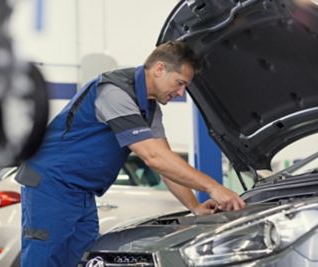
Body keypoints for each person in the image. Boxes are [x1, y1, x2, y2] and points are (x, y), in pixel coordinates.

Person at [15, 40, 246, 267]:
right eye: (179, 83)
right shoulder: (113, 91)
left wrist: (194, 206)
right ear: (159, 69)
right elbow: (152, 156)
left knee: (82, 261)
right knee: (44, 259)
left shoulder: (150, 107)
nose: (180, 92)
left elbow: (163, 161)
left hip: (82, 192)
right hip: (52, 183)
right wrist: (213, 187)